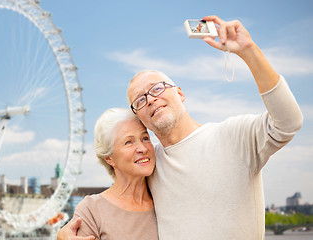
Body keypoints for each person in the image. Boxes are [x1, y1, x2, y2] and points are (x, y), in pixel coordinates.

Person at [58, 15, 303, 239]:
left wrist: (249, 51)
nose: (151, 98)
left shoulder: (234, 135)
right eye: (140, 100)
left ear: (180, 93)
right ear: (140, 119)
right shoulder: (151, 168)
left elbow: (289, 122)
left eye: (157, 88)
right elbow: (117, 205)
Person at [69, 108, 158, 239]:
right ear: (109, 158)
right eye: (129, 142)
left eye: (145, 138)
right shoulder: (92, 211)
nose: (143, 148)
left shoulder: (164, 199)